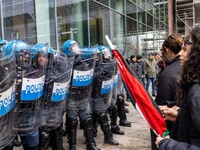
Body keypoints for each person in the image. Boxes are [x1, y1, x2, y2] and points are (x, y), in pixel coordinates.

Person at [155, 25, 200, 150]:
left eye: (185, 49)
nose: (181, 54)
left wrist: (167, 144)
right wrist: (179, 114)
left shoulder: (197, 92)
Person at [62, 40, 100, 150]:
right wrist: (72, 66)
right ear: (68, 49)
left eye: (76, 46)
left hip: (84, 96)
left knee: (87, 120)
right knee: (72, 122)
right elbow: (63, 77)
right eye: (74, 47)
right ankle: (72, 146)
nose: (76, 48)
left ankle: (91, 144)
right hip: (72, 97)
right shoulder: (64, 63)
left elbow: (89, 75)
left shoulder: (83, 62)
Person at [91, 45, 119, 146]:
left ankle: (108, 137)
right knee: (91, 117)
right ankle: (90, 138)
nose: (107, 56)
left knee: (102, 115)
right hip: (91, 95)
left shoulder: (107, 65)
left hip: (100, 95)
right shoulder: (90, 65)